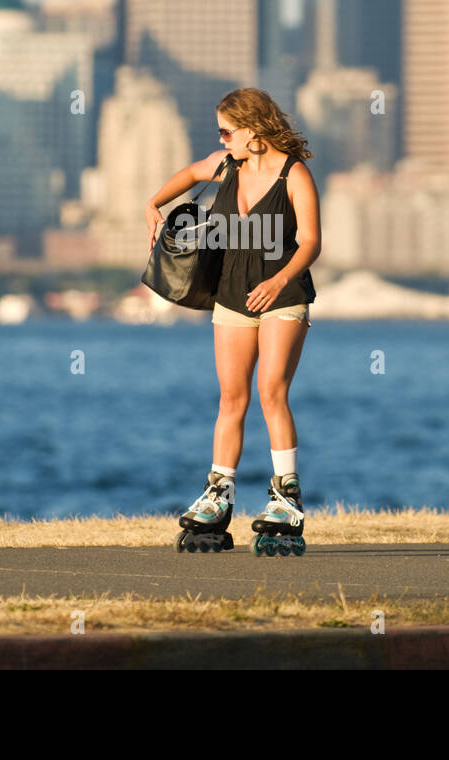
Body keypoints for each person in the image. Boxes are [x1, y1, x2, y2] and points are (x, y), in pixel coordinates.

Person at [145, 88, 320, 554]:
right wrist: (153, 204)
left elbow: (311, 242)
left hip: (282, 294)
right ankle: (219, 493)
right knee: (231, 396)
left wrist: (279, 279)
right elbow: (187, 174)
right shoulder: (226, 166)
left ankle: (285, 493)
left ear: (253, 130)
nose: (221, 139)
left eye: (226, 130)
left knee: (271, 391)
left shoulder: (294, 174)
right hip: (232, 296)